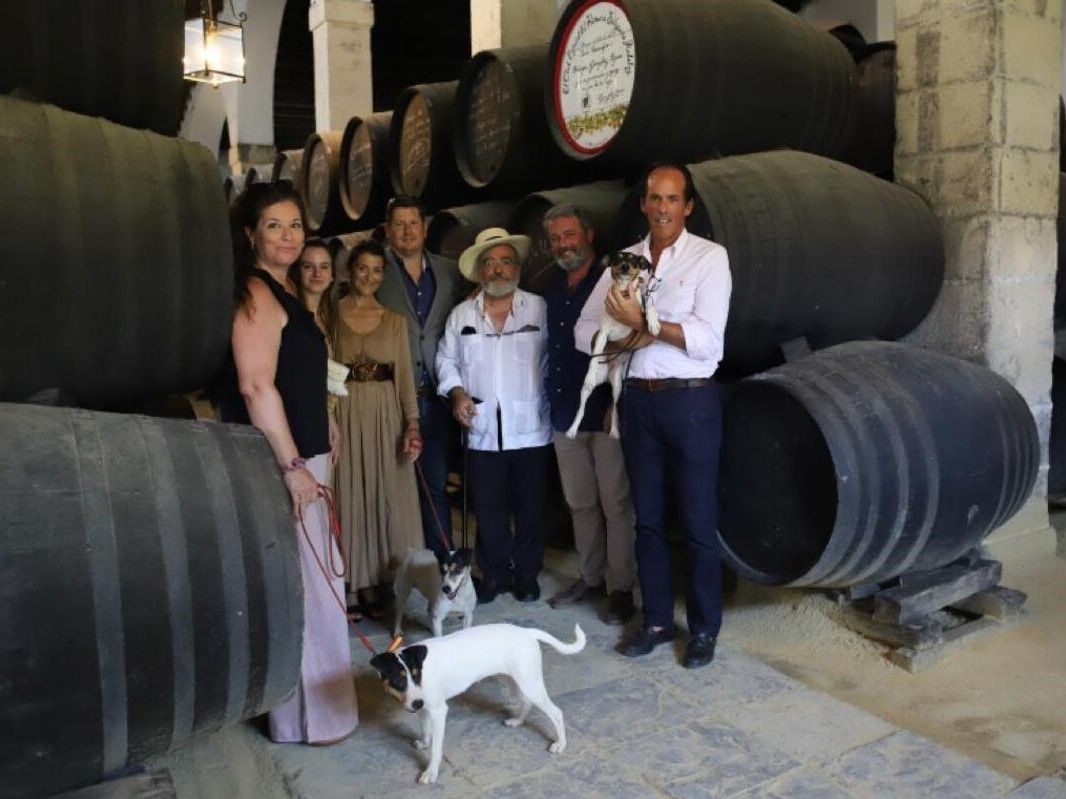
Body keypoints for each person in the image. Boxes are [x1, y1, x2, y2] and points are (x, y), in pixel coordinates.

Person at [214, 182, 358, 743]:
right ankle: (309, 721)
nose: (288, 235)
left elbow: (297, 377)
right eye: (274, 224)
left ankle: (315, 715)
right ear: (250, 233)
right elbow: (255, 387)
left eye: (295, 224)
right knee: (309, 591)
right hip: (282, 465)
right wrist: (294, 466)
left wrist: (328, 420)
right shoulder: (254, 293)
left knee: (317, 586)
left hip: (304, 454)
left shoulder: (284, 293)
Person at [575, 162, 732, 669]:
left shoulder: (710, 258)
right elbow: (583, 332)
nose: (662, 207)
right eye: (653, 198)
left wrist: (645, 323)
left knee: (699, 521)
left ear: (686, 206)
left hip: (690, 401)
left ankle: (705, 629)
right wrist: (625, 337)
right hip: (638, 400)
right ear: (643, 204)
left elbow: (709, 339)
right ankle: (658, 621)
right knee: (648, 520)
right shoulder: (624, 261)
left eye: (672, 199)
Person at [436, 228, 553, 604]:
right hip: (482, 429)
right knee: (488, 509)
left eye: (505, 262)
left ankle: (528, 575)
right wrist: (456, 393)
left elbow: (557, 360)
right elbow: (446, 360)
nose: (498, 270)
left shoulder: (539, 308)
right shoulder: (461, 315)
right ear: (480, 271)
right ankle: (495, 574)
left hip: (531, 428)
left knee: (531, 509)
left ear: (517, 267)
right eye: (490, 263)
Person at [541, 204, 637, 625]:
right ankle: (590, 576)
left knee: (616, 505)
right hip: (565, 414)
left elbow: (633, 342)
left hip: (603, 414)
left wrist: (615, 405)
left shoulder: (612, 281)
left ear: (589, 234)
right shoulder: (548, 287)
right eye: (556, 238)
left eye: (569, 235)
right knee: (580, 503)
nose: (563, 244)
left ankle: (620, 589)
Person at [333, 239, 424, 618]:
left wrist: (411, 424)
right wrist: (327, 418)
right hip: (346, 409)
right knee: (351, 492)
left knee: (387, 494)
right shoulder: (331, 314)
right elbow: (325, 371)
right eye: (361, 269)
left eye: (376, 270)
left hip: (386, 413)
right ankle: (355, 587)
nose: (368, 277)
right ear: (349, 271)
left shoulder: (395, 320)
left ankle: (386, 583)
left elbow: (404, 377)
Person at [378, 196, 465, 557]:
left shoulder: (449, 271)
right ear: (387, 230)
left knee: (434, 485)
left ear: (426, 227)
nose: (407, 231)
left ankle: (442, 562)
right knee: (394, 487)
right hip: (395, 398)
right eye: (399, 224)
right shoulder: (375, 270)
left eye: (414, 223)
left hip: (438, 398)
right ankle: (398, 564)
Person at [290, 237, 338, 340]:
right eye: (308, 267)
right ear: (297, 273)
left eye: (324, 267)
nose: (317, 274)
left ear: (332, 275)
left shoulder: (329, 317)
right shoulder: (291, 318)